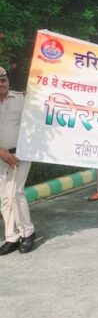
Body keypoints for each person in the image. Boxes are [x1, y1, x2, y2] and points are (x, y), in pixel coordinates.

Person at [0, 67, 36, 254]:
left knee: (16, 193)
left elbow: (35, 122)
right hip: (1, 156)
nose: (1, 84)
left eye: (3, 79)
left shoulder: (22, 98)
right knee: (5, 198)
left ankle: (28, 232)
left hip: (21, 154)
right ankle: (12, 237)